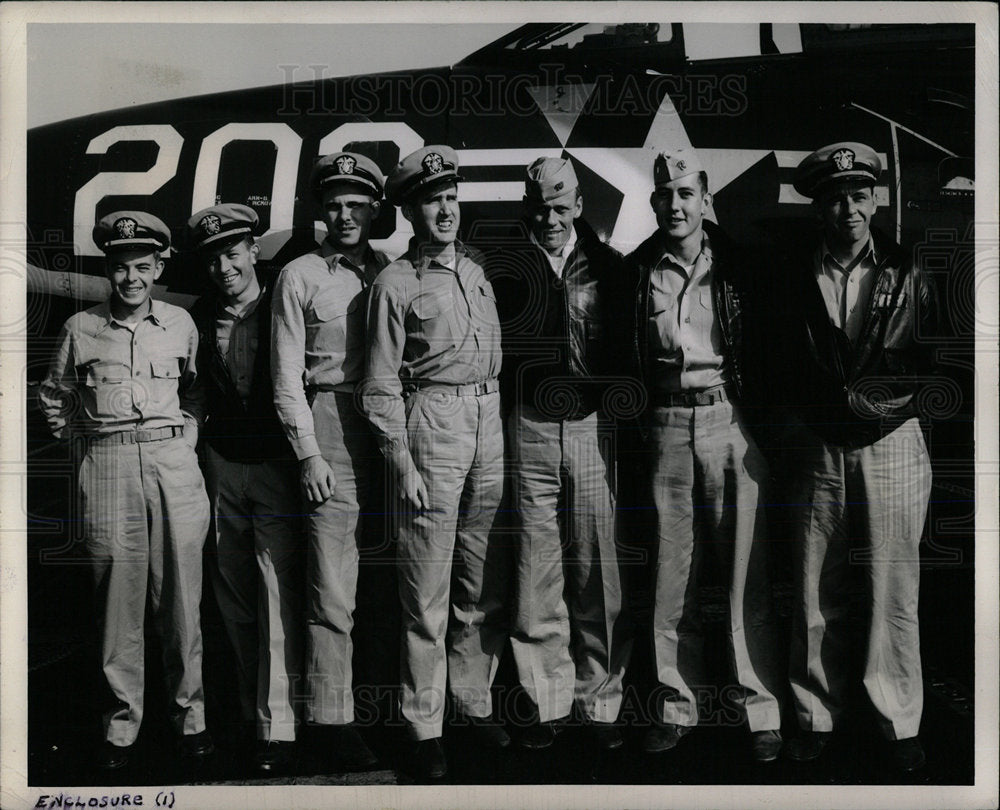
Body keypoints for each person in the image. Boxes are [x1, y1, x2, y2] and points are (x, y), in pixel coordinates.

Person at [777, 142, 939, 773]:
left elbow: (936, 362)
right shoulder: (793, 273)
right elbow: (779, 364)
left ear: (875, 200)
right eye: (835, 196)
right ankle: (817, 713)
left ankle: (898, 718)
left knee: (893, 586)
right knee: (818, 586)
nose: (848, 207)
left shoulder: (910, 270)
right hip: (818, 446)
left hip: (892, 443)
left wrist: (887, 410)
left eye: (859, 194)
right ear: (820, 204)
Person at [38, 211, 213, 770]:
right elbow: (54, 398)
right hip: (109, 464)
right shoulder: (81, 328)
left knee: (183, 598)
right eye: (119, 268)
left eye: (142, 266)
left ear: (160, 266)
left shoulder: (182, 324)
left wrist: (184, 441)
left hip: (173, 466)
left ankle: (192, 722)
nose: (131, 279)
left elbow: (196, 392)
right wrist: (89, 453)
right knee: (117, 604)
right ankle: (122, 728)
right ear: (108, 271)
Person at [625, 149, 783, 762]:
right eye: (664, 194)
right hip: (666, 423)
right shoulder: (639, 270)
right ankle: (675, 704)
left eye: (685, 193)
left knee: (749, 573)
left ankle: (762, 708)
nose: (674, 205)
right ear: (654, 201)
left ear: (704, 196)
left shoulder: (740, 263)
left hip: (729, 421)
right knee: (672, 576)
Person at [360, 145, 508, 780]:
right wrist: (402, 462)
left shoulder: (475, 271)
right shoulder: (394, 284)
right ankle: (424, 725)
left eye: (451, 197)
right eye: (431, 199)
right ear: (410, 210)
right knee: (425, 591)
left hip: (488, 422)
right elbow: (379, 384)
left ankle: (473, 701)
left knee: (480, 579)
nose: (445, 209)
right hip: (433, 426)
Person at [486, 157, 632, 751]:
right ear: (528, 207)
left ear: (578, 206)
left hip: (592, 427)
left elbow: (625, 350)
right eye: (539, 208)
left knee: (598, 566)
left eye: (560, 207)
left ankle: (600, 701)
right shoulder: (501, 267)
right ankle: (546, 698)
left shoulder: (607, 266)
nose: (549, 218)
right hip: (529, 426)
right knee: (535, 566)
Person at [270, 152, 390, 770]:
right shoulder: (300, 276)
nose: (345, 214)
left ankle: (388, 710)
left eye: (357, 204)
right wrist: (308, 453)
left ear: (374, 209)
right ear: (321, 210)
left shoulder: (392, 271)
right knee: (331, 586)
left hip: (389, 431)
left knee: (388, 582)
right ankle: (331, 723)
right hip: (330, 427)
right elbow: (287, 377)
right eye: (335, 204)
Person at [185, 204, 303, 774]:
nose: (223, 267)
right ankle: (245, 713)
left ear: (254, 251)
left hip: (276, 465)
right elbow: (198, 393)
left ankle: (276, 727)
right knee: (233, 598)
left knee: (275, 593)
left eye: (233, 254)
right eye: (213, 258)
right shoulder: (204, 313)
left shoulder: (284, 300)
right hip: (223, 465)